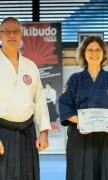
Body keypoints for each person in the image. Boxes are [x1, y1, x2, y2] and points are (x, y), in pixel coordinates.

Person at [59, 36, 108, 180]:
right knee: (81, 174)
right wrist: (78, 120)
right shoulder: (75, 79)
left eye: (98, 50)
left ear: (103, 53)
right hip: (81, 135)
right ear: (83, 53)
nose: (94, 53)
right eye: (90, 50)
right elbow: (65, 105)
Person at [0, 17, 51, 180]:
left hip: (27, 134)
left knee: (28, 175)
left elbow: (40, 100)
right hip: (3, 134)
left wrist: (43, 133)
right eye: (7, 31)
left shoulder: (30, 66)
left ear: (21, 35)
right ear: (0, 35)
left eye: (15, 31)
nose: (11, 35)